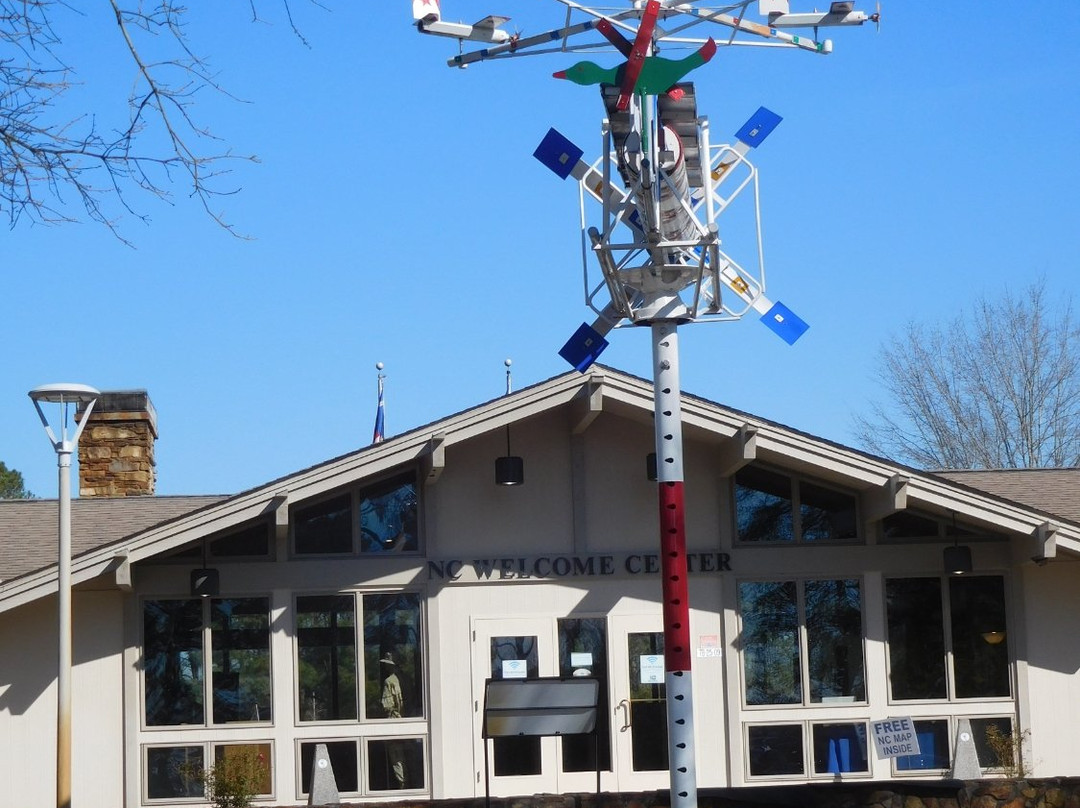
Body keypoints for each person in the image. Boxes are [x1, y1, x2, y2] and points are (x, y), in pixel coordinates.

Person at [380, 654, 406, 788]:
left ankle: (402, 785)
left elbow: (387, 705)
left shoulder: (389, 682)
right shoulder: (405, 680)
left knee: (396, 759)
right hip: (406, 722)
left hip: (395, 723)